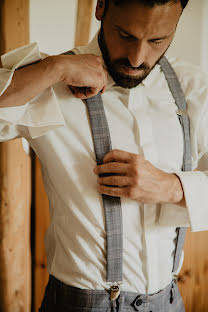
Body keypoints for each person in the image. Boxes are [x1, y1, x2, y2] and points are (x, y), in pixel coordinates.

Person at [0, 0, 208, 311]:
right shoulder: (49, 82)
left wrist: (172, 187)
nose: (138, 58)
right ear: (101, 7)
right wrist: (54, 68)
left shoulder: (194, 88)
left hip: (170, 301)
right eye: (125, 35)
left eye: (157, 41)